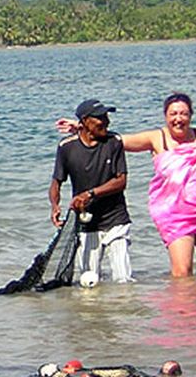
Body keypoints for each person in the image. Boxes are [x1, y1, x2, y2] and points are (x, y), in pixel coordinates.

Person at [58, 92, 196, 277]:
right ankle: (184, 311)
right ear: (165, 116)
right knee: (182, 274)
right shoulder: (157, 138)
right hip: (175, 217)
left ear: (191, 115)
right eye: (173, 114)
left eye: (184, 113)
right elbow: (117, 140)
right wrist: (81, 126)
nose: (179, 118)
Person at [49, 99, 132, 283]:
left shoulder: (114, 142)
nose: (107, 122)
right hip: (86, 223)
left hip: (116, 220)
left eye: (107, 116)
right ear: (85, 121)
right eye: (101, 117)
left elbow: (121, 181)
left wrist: (90, 194)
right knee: (89, 281)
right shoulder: (66, 147)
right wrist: (55, 205)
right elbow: (56, 182)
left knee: (123, 279)